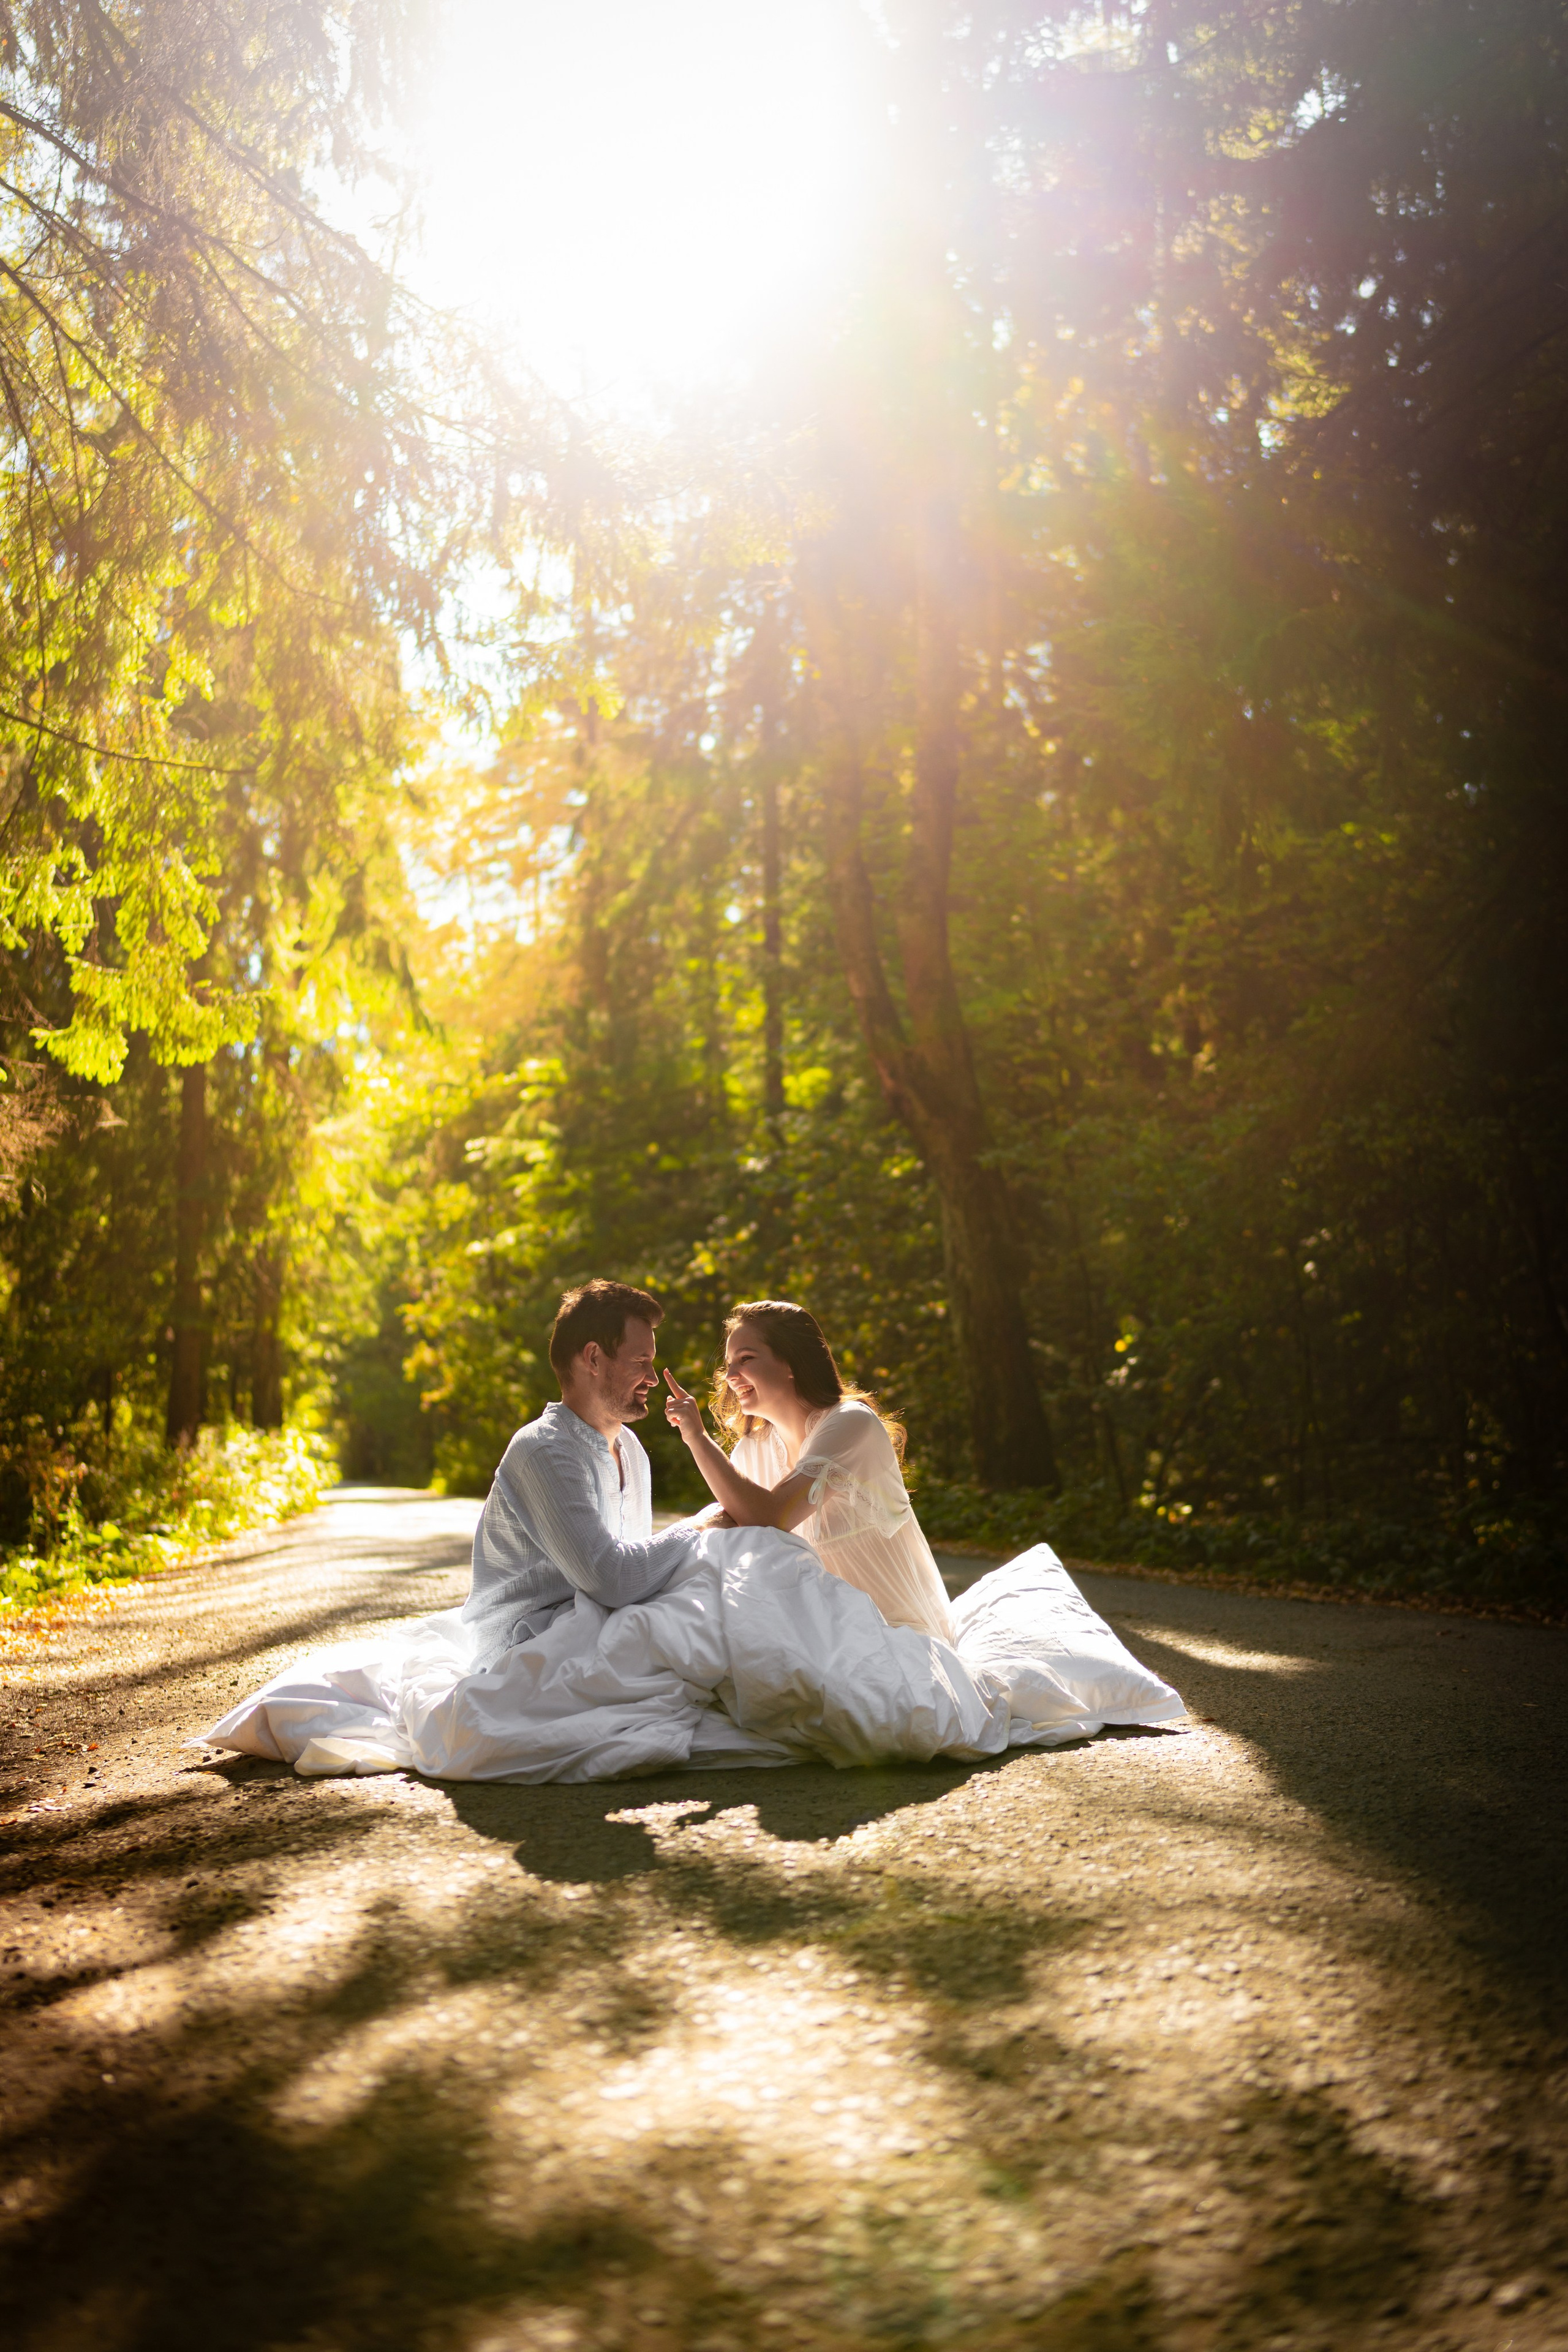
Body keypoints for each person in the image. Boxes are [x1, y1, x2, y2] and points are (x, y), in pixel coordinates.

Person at [662, 1298, 955, 1644]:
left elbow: (772, 1515)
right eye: (729, 1364)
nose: (730, 1376)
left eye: (746, 1359)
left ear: (792, 1363)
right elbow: (735, 1536)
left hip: (895, 1631)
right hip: (818, 1630)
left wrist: (697, 1438)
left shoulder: (852, 1423)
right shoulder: (751, 1450)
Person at [461, 1278, 703, 1665]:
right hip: (524, 1647)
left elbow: (638, 1576)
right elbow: (613, 1581)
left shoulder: (631, 1450)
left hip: (597, 1630)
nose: (653, 1378)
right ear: (593, 1359)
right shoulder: (543, 1449)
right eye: (640, 1362)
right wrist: (700, 1526)